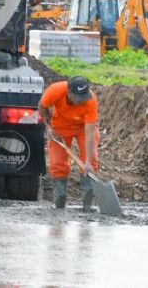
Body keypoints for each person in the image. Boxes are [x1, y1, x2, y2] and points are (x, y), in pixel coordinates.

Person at [38, 75, 99, 211]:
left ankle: (87, 207)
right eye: (79, 97)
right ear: (69, 93)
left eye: (84, 96)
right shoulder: (55, 91)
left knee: (90, 163)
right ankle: (59, 205)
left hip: (83, 128)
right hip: (60, 127)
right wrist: (48, 127)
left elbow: (90, 133)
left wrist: (87, 163)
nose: (82, 100)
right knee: (58, 164)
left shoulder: (91, 101)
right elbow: (42, 106)